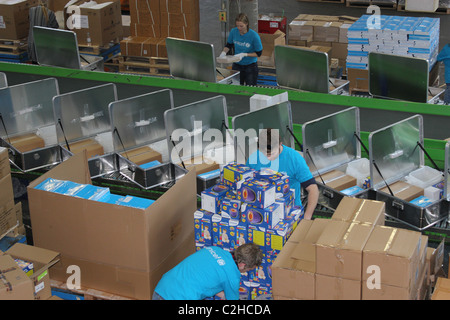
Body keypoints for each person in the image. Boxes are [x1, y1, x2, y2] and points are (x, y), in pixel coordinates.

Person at [246, 128, 319, 220]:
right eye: (263, 153)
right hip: (262, 213)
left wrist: (307, 217)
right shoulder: (254, 158)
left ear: (280, 144)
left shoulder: (294, 159)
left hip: (289, 213)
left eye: (271, 154)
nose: (267, 157)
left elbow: (313, 189)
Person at [152, 243, 263, 300]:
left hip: (161, 288)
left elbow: (205, 278)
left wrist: (223, 294)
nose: (245, 272)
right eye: (248, 270)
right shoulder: (232, 276)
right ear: (242, 265)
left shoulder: (214, 249)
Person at [219, 13, 263, 86]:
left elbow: (259, 53)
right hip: (237, 65)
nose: (239, 28)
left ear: (247, 24)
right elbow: (229, 45)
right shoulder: (233, 31)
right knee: (236, 87)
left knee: (250, 88)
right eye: (237, 26)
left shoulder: (254, 36)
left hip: (250, 66)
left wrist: (245, 54)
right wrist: (223, 53)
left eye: (241, 26)